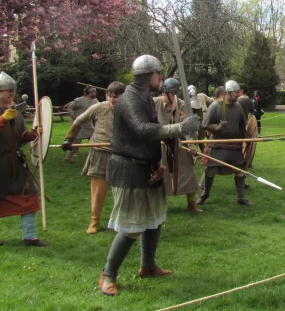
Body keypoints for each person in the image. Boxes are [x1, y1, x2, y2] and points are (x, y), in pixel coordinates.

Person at [98, 55, 200, 296]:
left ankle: (148, 265)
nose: (160, 78)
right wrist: (178, 128)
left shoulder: (145, 98)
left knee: (155, 218)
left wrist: (176, 131)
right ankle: (108, 274)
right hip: (129, 167)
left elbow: (154, 132)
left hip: (147, 165)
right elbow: (143, 130)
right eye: (157, 74)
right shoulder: (129, 100)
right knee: (131, 224)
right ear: (148, 75)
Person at [0, 71, 47, 247]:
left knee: (28, 196)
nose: (11, 94)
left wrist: (33, 133)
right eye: (7, 91)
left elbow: (20, 137)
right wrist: (3, 119)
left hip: (15, 161)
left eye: (12, 91)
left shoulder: (16, 112)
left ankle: (30, 237)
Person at [61, 81, 126, 234]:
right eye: (109, 96)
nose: (112, 100)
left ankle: (121, 222)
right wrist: (69, 139)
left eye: (116, 97)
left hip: (121, 153)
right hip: (99, 152)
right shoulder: (98, 107)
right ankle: (94, 222)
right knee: (98, 191)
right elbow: (79, 120)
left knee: (122, 190)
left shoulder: (129, 109)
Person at [196, 80, 251, 206]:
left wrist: (247, 139)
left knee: (239, 170)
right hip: (217, 145)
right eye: (236, 92)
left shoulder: (238, 107)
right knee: (210, 170)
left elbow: (243, 125)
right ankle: (204, 194)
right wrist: (216, 128)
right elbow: (204, 125)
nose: (238, 95)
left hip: (234, 145)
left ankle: (241, 197)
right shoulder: (215, 106)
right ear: (228, 92)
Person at [156, 78, 203, 213]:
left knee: (188, 171)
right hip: (160, 144)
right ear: (164, 91)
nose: (174, 94)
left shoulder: (181, 105)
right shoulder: (154, 103)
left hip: (179, 143)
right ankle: (160, 205)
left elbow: (188, 126)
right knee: (161, 174)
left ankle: (192, 203)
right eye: (171, 92)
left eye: (176, 91)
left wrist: (192, 145)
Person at [64, 86, 99, 163]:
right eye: (93, 92)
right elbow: (70, 108)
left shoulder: (95, 101)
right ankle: (67, 158)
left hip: (89, 125)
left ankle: (96, 158)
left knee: (95, 140)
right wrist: (73, 116)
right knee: (75, 143)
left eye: (95, 92)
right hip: (79, 125)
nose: (94, 93)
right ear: (88, 93)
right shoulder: (79, 100)